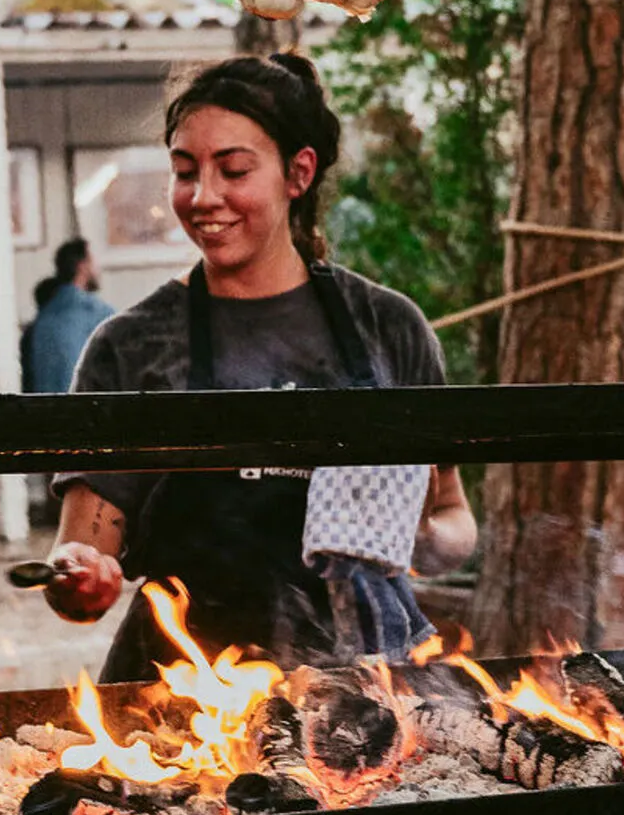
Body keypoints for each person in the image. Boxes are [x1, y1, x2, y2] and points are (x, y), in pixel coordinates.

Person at [41, 53, 477, 681]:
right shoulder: (130, 345)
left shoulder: (388, 327)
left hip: (361, 686)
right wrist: (80, 581)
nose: (203, 196)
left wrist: (425, 541)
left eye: (234, 169)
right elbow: (81, 550)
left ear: (298, 174)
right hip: (185, 693)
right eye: (185, 171)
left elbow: (452, 514)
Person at [26, 238, 114, 395]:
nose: (99, 268)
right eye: (94, 262)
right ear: (83, 267)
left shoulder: (42, 318)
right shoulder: (97, 313)